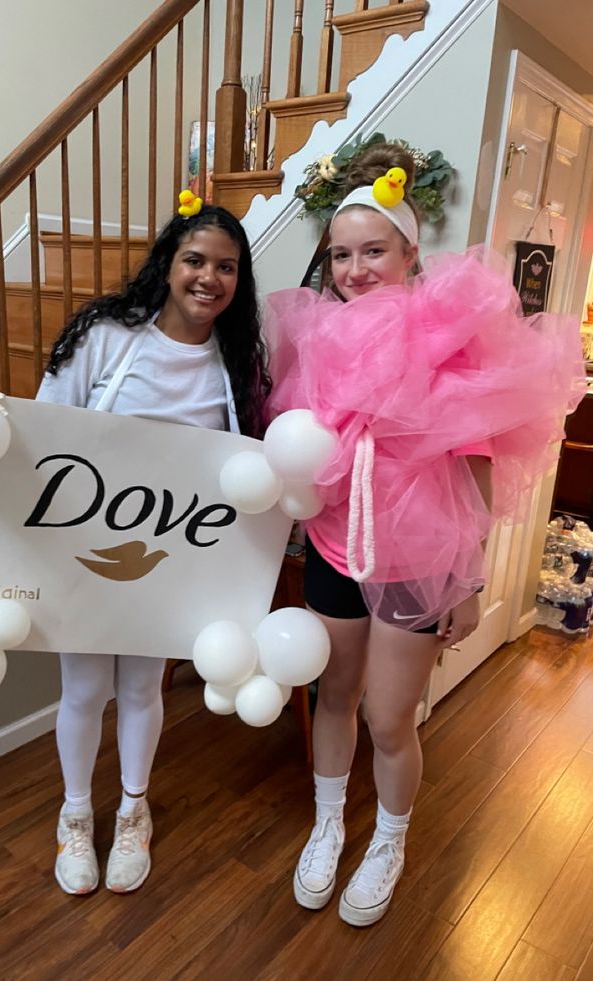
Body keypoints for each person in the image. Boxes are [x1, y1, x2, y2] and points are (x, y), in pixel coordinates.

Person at [265, 143, 584, 927]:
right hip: (338, 545)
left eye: (374, 250)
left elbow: (474, 460)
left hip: (417, 552)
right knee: (333, 694)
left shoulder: (445, 335)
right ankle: (331, 819)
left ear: (410, 251)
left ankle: (391, 839)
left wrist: (468, 577)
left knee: (389, 714)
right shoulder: (316, 337)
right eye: (341, 254)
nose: (355, 268)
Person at [36, 202, 270, 896]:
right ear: (168, 263)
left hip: (172, 557)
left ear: (239, 279)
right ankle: (75, 816)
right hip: (85, 545)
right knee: (84, 687)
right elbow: (45, 428)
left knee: (141, 685)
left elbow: (246, 465)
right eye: (195, 260)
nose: (209, 278)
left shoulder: (234, 361)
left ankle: (134, 811)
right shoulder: (106, 336)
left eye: (226, 267)